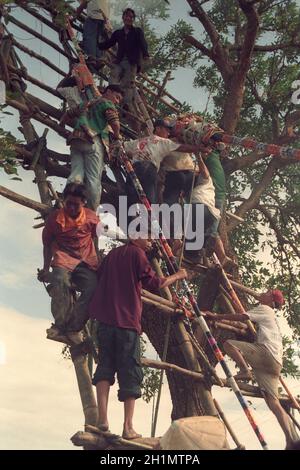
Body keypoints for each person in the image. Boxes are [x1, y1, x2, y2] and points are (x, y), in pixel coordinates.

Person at [89, 235, 187, 439]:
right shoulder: (137, 254)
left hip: (104, 320)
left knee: (105, 367)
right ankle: (128, 427)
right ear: (135, 238)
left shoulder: (112, 255)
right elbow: (155, 283)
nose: (151, 242)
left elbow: (99, 276)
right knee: (130, 371)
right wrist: (178, 275)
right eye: (147, 238)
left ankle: (102, 420)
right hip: (126, 322)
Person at [204, 289, 299, 449]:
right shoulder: (271, 316)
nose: (263, 293)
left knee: (229, 344)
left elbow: (243, 316)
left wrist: (216, 316)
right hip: (275, 363)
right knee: (273, 403)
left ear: (271, 299)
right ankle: (292, 440)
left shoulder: (266, 309)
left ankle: (244, 371)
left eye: (267, 292)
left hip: (266, 354)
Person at [38, 183, 99, 344]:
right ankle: (60, 326)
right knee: (60, 281)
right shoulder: (55, 219)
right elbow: (47, 244)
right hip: (63, 259)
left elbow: (97, 235)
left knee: (93, 289)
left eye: (76, 204)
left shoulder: (91, 218)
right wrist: (45, 269)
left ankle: (74, 327)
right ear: (64, 200)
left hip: (85, 261)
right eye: (69, 203)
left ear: (84, 202)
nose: (71, 207)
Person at [58, 80, 123, 211]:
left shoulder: (86, 103)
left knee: (76, 174)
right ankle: (92, 212)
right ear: (108, 91)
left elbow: (68, 114)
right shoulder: (107, 103)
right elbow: (114, 123)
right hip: (93, 141)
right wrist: (117, 135)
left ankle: (68, 202)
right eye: (117, 97)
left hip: (76, 140)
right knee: (93, 179)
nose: (116, 101)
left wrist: (61, 126)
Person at [123, 119, 206, 205]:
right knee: (150, 201)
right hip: (149, 169)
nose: (168, 133)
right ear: (158, 129)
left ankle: (130, 215)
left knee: (130, 199)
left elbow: (122, 146)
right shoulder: (163, 141)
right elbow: (183, 148)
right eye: (166, 130)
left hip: (134, 170)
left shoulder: (139, 141)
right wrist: (201, 148)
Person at [98, 8, 150, 112]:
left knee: (128, 83)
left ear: (133, 19)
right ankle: (110, 95)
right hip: (120, 60)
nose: (128, 18)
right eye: (126, 16)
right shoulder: (118, 33)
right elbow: (110, 43)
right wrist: (98, 45)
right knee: (114, 74)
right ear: (123, 18)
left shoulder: (137, 31)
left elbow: (143, 42)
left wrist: (145, 54)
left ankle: (125, 104)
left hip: (132, 61)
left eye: (131, 17)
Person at [184, 154, 221, 263]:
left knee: (178, 220)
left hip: (200, 208)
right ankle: (195, 255)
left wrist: (198, 157)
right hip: (210, 216)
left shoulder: (205, 180)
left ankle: (196, 249)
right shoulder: (194, 188)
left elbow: (205, 173)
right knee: (196, 234)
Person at [76, 0, 111, 66]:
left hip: (94, 17)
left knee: (89, 37)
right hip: (103, 19)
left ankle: (91, 57)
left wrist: (77, 13)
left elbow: (84, 4)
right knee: (98, 40)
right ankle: (99, 59)